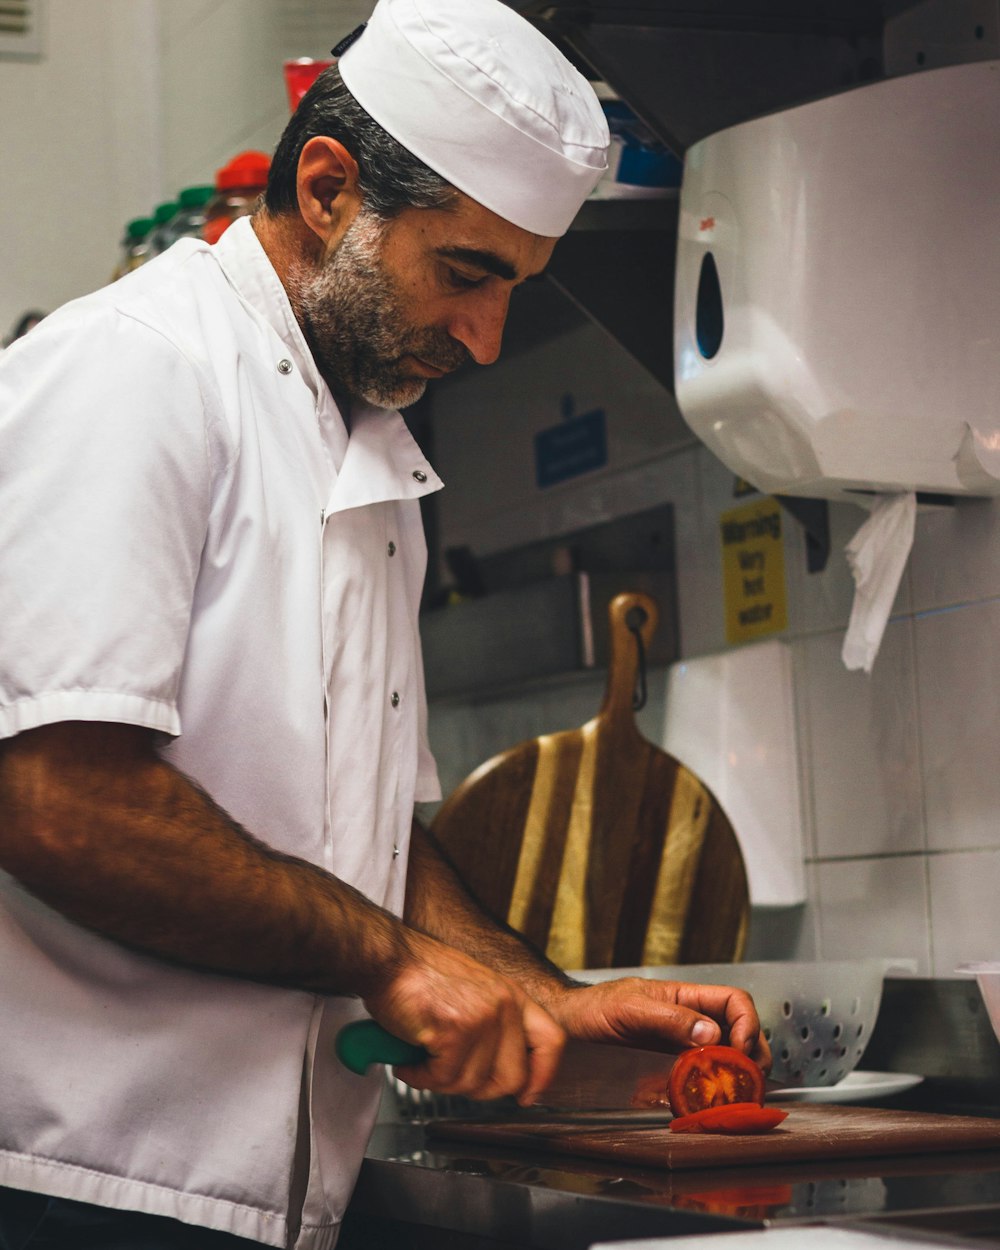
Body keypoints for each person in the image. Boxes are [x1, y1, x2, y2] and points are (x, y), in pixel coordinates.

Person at [0, 0, 770, 1247]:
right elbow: (56, 798)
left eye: (515, 287)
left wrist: (545, 998)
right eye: (464, 272)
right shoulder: (139, 371)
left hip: (279, 1195)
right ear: (325, 186)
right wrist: (388, 958)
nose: (484, 334)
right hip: (74, 1181)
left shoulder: (370, 449)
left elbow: (374, 844)